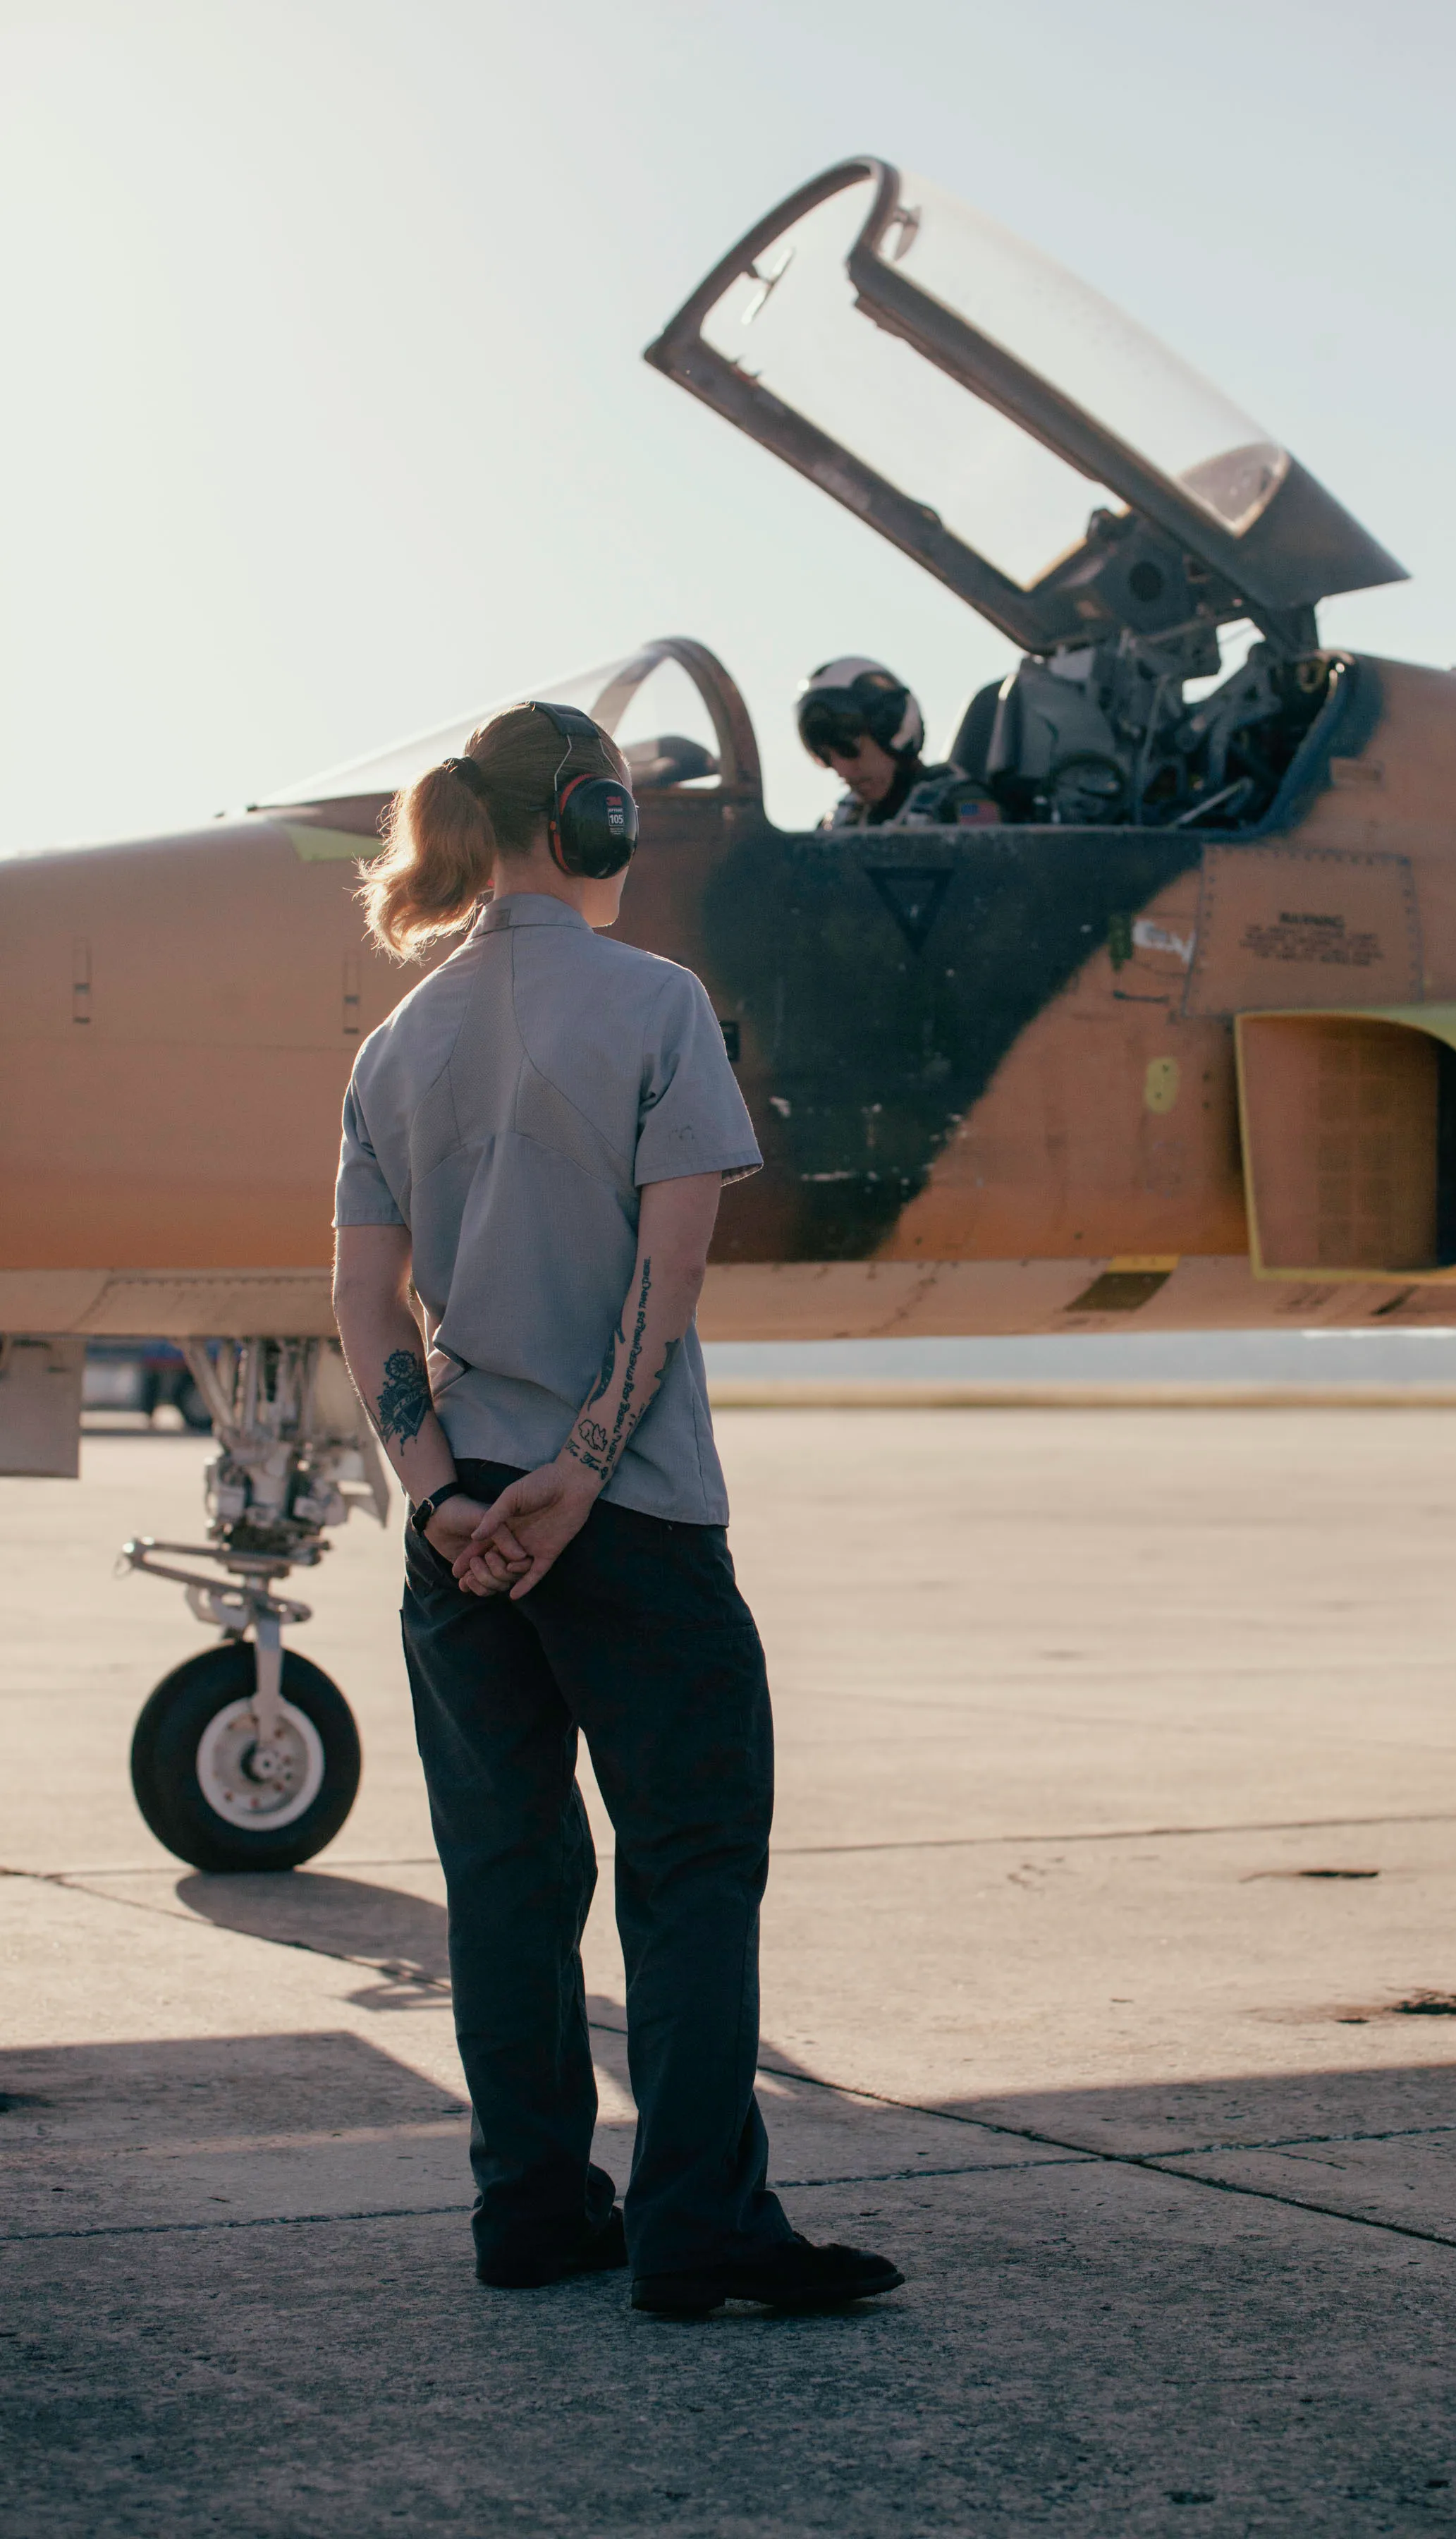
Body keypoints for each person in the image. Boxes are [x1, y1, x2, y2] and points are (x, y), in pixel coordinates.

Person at [331, 700, 902, 2320]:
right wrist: (583, 1463)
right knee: (689, 1862)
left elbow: (364, 1299)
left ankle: (529, 2209)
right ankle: (699, 2227)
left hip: (457, 1544)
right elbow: (671, 1261)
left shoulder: (399, 1041)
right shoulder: (655, 1005)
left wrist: (442, 1491)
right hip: (629, 1517)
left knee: (507, 1876)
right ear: (592, 820)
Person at [797, 657, 1001, 830]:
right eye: (826, 757)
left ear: (891, 728)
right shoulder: (836, 828)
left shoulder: (962, 807)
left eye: (848, 749)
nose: (842, 770)